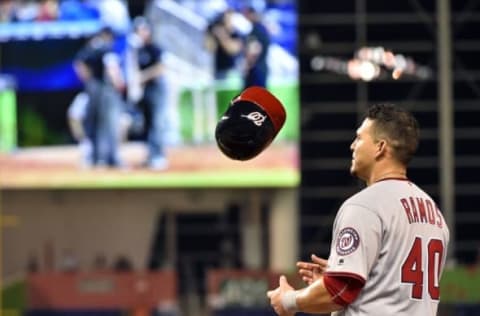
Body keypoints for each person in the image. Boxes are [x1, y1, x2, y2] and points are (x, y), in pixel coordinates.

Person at [267, 104, 450, 315]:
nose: (352, 146)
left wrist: (288, 300)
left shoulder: (365, 205)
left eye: (359, 138)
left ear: (380, 147)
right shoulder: (434, 213)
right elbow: (396, 286)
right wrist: (349, 273)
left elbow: (339, 290)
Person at [74, 26, 126, 168]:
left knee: (94, 123)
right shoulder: (106, 49)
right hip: (105, 89)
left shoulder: (92, 46)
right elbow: (112, 69)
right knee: (109, 124)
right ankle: (111, 158)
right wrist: (119, 84)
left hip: (93, 87)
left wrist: (87, 79)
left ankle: (96, 157)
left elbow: (78, 62)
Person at [128, 16, 169, 170]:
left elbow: (161, 68)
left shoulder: (155, 48)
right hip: (145, 90)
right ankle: (151, 154)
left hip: (156, 89)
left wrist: (143, 76)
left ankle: (158, 155)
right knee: (147, 123)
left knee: (157, 123)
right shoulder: (138, 50)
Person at [205, 8, 243, 80]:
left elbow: (232, 50)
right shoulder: (218, 31)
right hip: (218, 71)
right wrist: (209, 34)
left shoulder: (236, 33)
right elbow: (209, 48)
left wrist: (221, 35)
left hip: (232, 71)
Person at [242, 6, 271, 89]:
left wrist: (248, 65)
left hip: (256, 70)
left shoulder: (256, 31)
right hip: (262, 67)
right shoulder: (262, 29)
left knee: (253, 96)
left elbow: (255, 50)